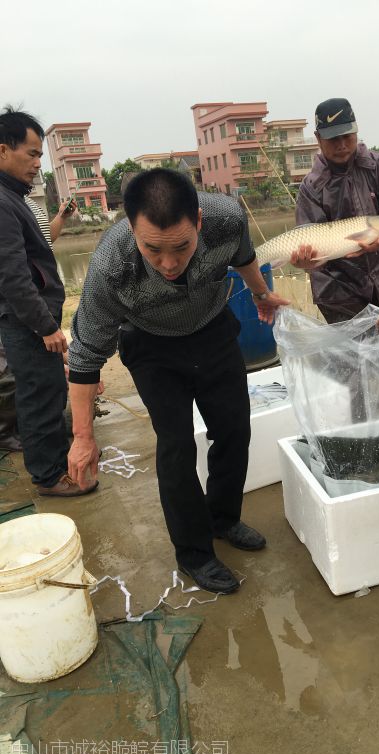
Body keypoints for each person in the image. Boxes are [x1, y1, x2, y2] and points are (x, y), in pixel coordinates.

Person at [67, 168, 289, 594]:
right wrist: (82, 436)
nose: (168, 264)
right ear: (131, 229)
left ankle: (223, 519)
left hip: (211, 329)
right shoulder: (110, 265)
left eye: (182, 248)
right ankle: (195, 554)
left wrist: (261, 294)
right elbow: (85, 356)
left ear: (200, 223)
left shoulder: (226, 217)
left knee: (234, 429)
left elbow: (243, 258)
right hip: (152, 348)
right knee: (176, 447)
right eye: (153, 250)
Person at [0, 106, 97, 496]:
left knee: (51, 389)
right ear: (3, 151)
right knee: (39, 395)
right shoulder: (3, 203)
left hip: (32, 319)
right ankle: (48, 475)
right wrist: (46, 326)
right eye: (32, 154)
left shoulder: (14, 197)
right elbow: (12, 276)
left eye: (41, 155)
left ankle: (59, 461)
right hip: (25, 322)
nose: (39, 163)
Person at [291, 98, 379, 323]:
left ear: (356, 130)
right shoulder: (311, 187)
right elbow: (308, 240)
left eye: (347, 136)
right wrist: (306, 262)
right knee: (351, 357)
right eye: (333, 139)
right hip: (337, 294)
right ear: (318, 138)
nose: (342, 145)